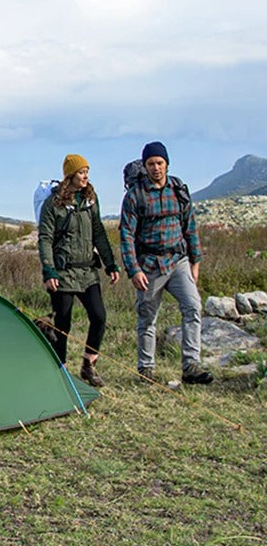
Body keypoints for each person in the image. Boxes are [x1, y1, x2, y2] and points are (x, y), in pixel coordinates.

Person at [119, 141, 213, 384]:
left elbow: (190, 227)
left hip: (179, 260)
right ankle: (146, 369)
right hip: (149, 265)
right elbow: (126, 235)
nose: (156, 168)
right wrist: (133, 270)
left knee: (193, 307)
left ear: (167, 164)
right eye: (151, 163)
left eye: (160, 163)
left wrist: (195, 261)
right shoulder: (135, 196)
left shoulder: (178, 190)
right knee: (147, 317)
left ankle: (191, 366)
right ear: (145, 166)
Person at [37, 154, 120, 387]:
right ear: (70, 175)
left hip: (87, 272)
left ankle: (88, 365)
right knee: (63, 324)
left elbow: (99, 232)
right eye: (82, 172)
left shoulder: (90, 200)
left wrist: (110, 263)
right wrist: (49, 270)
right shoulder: (53, 204)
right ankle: (59, 371)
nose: (86, 176)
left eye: (87, 172)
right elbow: (44, 238)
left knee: (99, 317)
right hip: (62, 272)